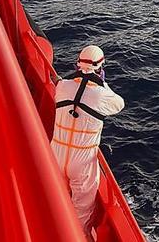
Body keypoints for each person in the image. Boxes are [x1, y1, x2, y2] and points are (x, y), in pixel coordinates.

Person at [51, 45, 124, 237]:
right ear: (100, 68)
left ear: (77, 64)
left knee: (58, 197)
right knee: (81, 212)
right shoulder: (102, 95)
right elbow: (119, 104)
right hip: (81, 160)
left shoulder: (62, 86)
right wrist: (101, 83)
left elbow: (64, 89)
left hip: (55, 154)